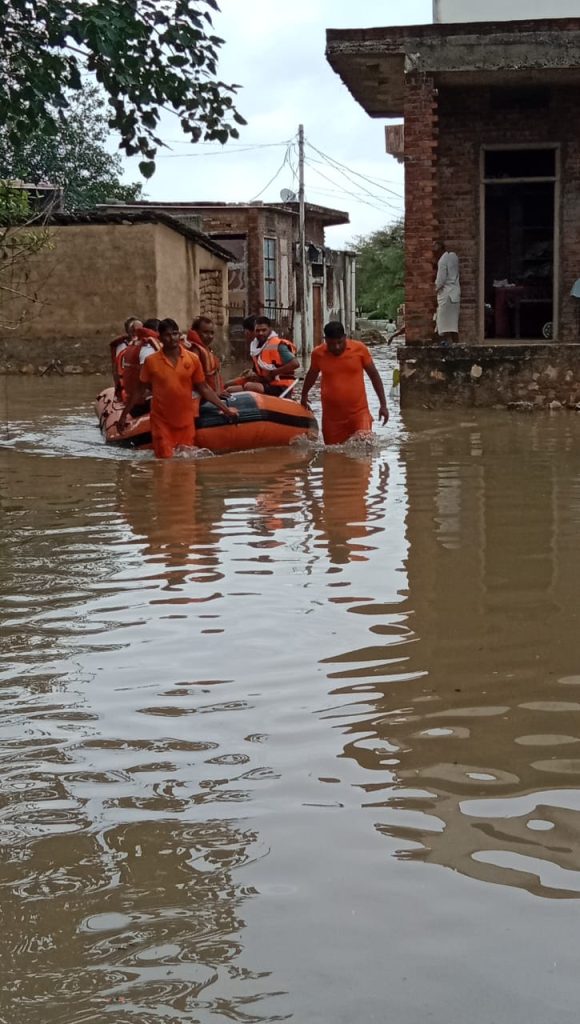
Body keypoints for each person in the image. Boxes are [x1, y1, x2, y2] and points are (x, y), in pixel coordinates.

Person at [120, 317, 238, 459]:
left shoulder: (192, 359)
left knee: (186, 463)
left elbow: (204, 388)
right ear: (160, 338)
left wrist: (226, 410)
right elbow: (139, 391)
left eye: (175, 334)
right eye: (168, 335)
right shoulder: (151, 361)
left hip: (185, 421)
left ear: (179, 334)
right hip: (161, 422)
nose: (172, 338)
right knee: (165, 462)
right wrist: (123, 416)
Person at [300, 320, 389, 445]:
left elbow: (374, 375)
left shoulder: (360, 349)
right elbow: (311, 375)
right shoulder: (318, 354)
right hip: (332, 419)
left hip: (359, 414)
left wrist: (383, 405)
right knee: (332, 453)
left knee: (364, 447)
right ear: (326, 340)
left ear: (345, 337)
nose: (336, 347)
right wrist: (304, 395)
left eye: (340, 342)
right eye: (332, 344)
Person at [119, 317, 161, 421]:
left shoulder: (134, 345)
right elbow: (144, 382)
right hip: (143, 403)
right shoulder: (147, 348)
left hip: (135, 400)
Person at [247, 316, 300, 395]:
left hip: (282, 386)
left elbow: (295, 364)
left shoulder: (278, 345)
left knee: (249, 386)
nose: (260, 333)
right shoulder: (255, 348)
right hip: (267, 383)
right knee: (232, 388)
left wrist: (273, 373)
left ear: (270, 329)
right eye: (257, 331)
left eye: (264, 330)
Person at [186, 316, 224, 394]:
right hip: (202, 395)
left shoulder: (206, 349)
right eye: (205, 332)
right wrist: (215, 395)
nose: (210, 336)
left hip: (213, 393)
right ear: (196, 332)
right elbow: (197, 381)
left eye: (212, 333)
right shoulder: (195, 350)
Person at [109, 316, 142, 398]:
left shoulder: (146, 344)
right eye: (133, 330)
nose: (136, 332)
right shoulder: (122, 346)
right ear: (129, 332)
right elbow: (118, 369)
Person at [435, 242, 461, 343]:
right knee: (453, 325)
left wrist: (435, 289)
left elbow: (441, 280)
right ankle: (456, 344)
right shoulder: (453, 257)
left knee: (442, 324)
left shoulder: (442, 261)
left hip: (446, 295)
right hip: (455, 294)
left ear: (440, 249)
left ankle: (444, 345)